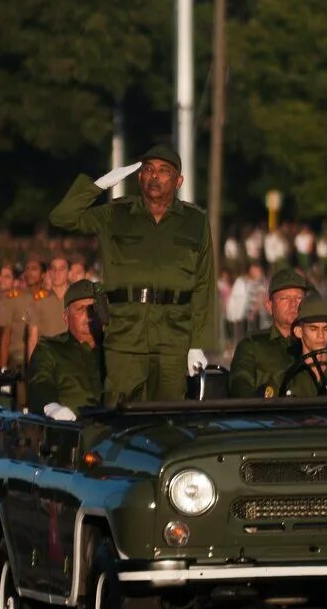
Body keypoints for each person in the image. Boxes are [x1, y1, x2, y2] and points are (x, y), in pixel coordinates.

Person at [49, 144, 218, 404]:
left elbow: (204, 284)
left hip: (173, 337)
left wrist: (197, 343)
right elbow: (62, 217)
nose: (154, 176)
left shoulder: (195, 221)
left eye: (164, 171)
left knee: (168, 417)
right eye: (148, 169)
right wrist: (101, 184)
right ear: (139, 177)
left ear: (178, 181)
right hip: (125, 334)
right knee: (120, 413)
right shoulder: (116, 214)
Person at [26, 280, 104, 415]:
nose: (89, 315)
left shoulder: (113, 349)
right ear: (65, 317)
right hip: (70, 430)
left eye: (93, 309)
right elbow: (40, 382)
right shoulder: (49, 350)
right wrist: (51, 407)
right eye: (80, 309)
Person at [228, 268, 308, 397]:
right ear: (269, 306)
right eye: (285, 298)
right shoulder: (251, 346)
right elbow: (240, 385)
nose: (294, 304)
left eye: (299, 298)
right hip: (270, 414)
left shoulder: (321, 341)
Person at [29, 255, 70, 350]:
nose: (57, 273)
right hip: (46, 358)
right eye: (54, 269)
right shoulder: (38, 300)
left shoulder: (76, 298)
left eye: (61, 269)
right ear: (49, 272)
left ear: (68, 272)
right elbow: (33, 337)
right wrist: (32, 363)